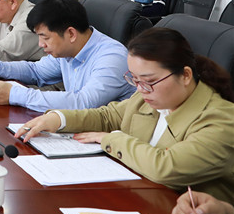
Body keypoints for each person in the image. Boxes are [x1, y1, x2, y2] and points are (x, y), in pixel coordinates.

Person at [16, 27, 234, 202]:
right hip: (138, 195)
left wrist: (111, 139)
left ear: (185, 75)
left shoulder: (221, 120)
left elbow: (167, 167)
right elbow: (109, 116)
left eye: (148, 81)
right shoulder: (150, 95)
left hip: (180, 213)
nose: (140, 89)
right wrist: (58, 119)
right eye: (135, 80)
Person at [0, 0, 135, 112]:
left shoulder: (112, 57)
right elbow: (36, 71)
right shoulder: (67, 50)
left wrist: (14, 94)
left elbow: (84, 103)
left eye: (45, 37)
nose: (40, 44)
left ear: (71, 34)